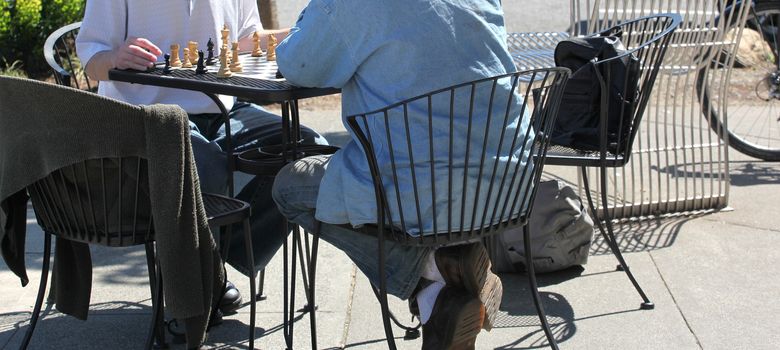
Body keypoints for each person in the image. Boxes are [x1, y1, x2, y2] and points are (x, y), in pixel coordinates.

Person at [272, 0, 526, 348]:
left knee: (289, 186)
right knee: (423, 156)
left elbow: (298, 64)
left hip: (425, 189)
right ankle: (439, 296)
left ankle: (435, 270)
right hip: (508, 182)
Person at [76, 0, 327, 319]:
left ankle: (218, 256)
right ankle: (192, 296)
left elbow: (248, 40)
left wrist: (310, 32)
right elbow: (91, 59)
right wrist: (114, 57)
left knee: (307, 149)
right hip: (147, 116)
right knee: (206, 163)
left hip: (222, 109)